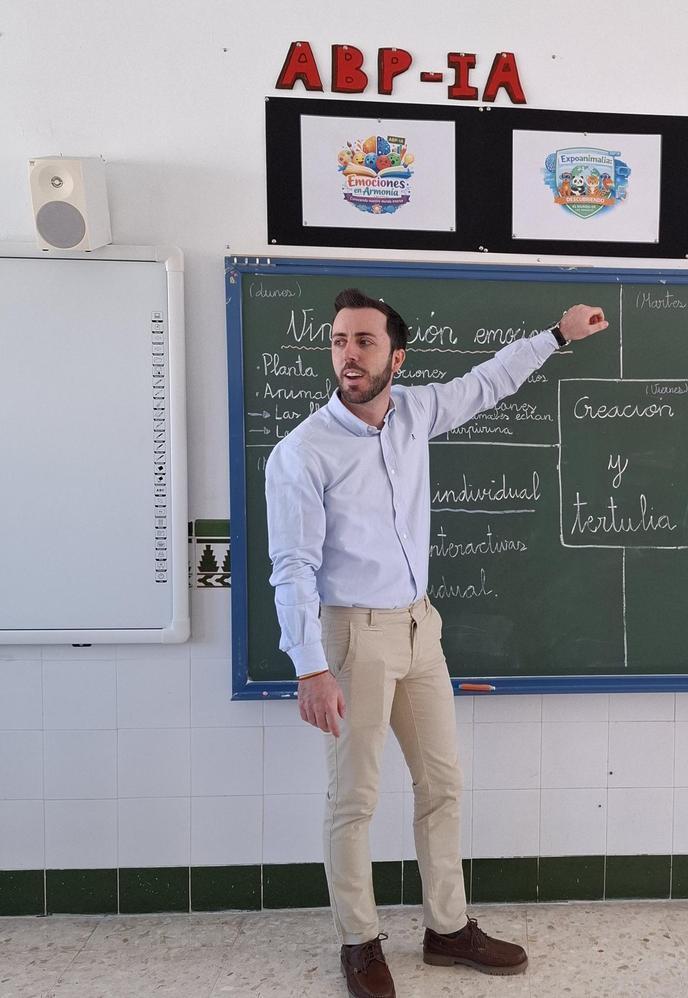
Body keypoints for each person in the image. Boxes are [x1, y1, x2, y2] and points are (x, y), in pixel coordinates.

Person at [265, 288, 608, 998]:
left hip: (420, 628)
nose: (349, 355)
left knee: (442, 785)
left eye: (364, 341)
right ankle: (359, 942)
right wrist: (309, 668)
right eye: (339, 341)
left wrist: (556, 336)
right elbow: (292, 566)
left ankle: (447, 928)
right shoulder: (303, 452)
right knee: (354, 798)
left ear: (396, 357)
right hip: (352, 636)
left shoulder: (415, 411)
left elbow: (487, 382)